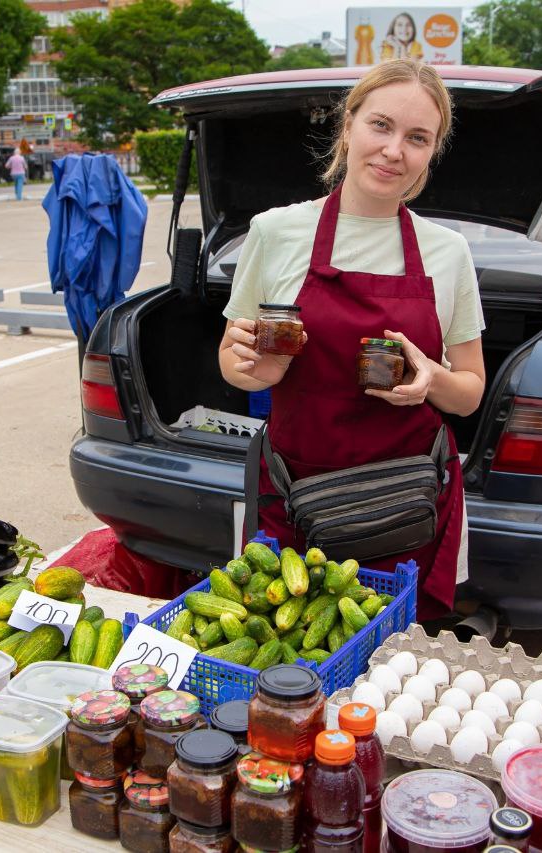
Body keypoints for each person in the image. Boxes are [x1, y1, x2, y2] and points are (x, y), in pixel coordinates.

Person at [219, 59, 486, 619]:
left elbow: (469, 392)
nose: (394, 151)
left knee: (391, 669)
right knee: (290, 661)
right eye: (381, 126)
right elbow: (233, 357)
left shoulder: (448, 252)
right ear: (348, 126)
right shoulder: (275, 232)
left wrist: (431, 379)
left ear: (431, 153)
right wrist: (250, 367)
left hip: (407, 501)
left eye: (418, 138)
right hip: (294, 497)